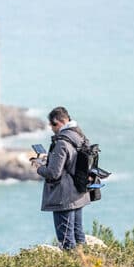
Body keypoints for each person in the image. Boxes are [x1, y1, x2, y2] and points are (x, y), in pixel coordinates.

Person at [31, 106, 90, 249]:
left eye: (52, 125)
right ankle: (86, 261)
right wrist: (51, 159)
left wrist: (39, 167)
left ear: (58, 122)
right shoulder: (79, 135)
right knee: (78, 235)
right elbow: (70, 162)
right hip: (78, 192)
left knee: (66, 240)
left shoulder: (62, 142)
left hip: (64, 197)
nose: (51, 128)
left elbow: (53, 173)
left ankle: (72, 263)